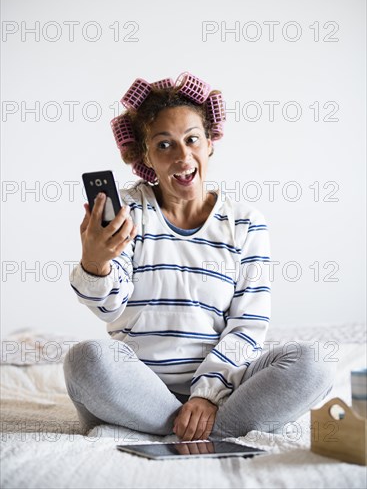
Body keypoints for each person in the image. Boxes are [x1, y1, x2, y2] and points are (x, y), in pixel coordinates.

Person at [64, 72, 335, 442]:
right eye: (164, 145)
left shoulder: (244, 223)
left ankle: (189, 426)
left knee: (313, 364)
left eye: (192, 139)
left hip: (223, 389)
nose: (182, 156)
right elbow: (110, 309)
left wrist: (206, 395)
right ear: (145, 155)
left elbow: (248, 323)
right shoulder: (128, 211)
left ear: (210, 144)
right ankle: (196, 427)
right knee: (86, 359)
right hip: (138, 387)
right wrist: (95, 263)